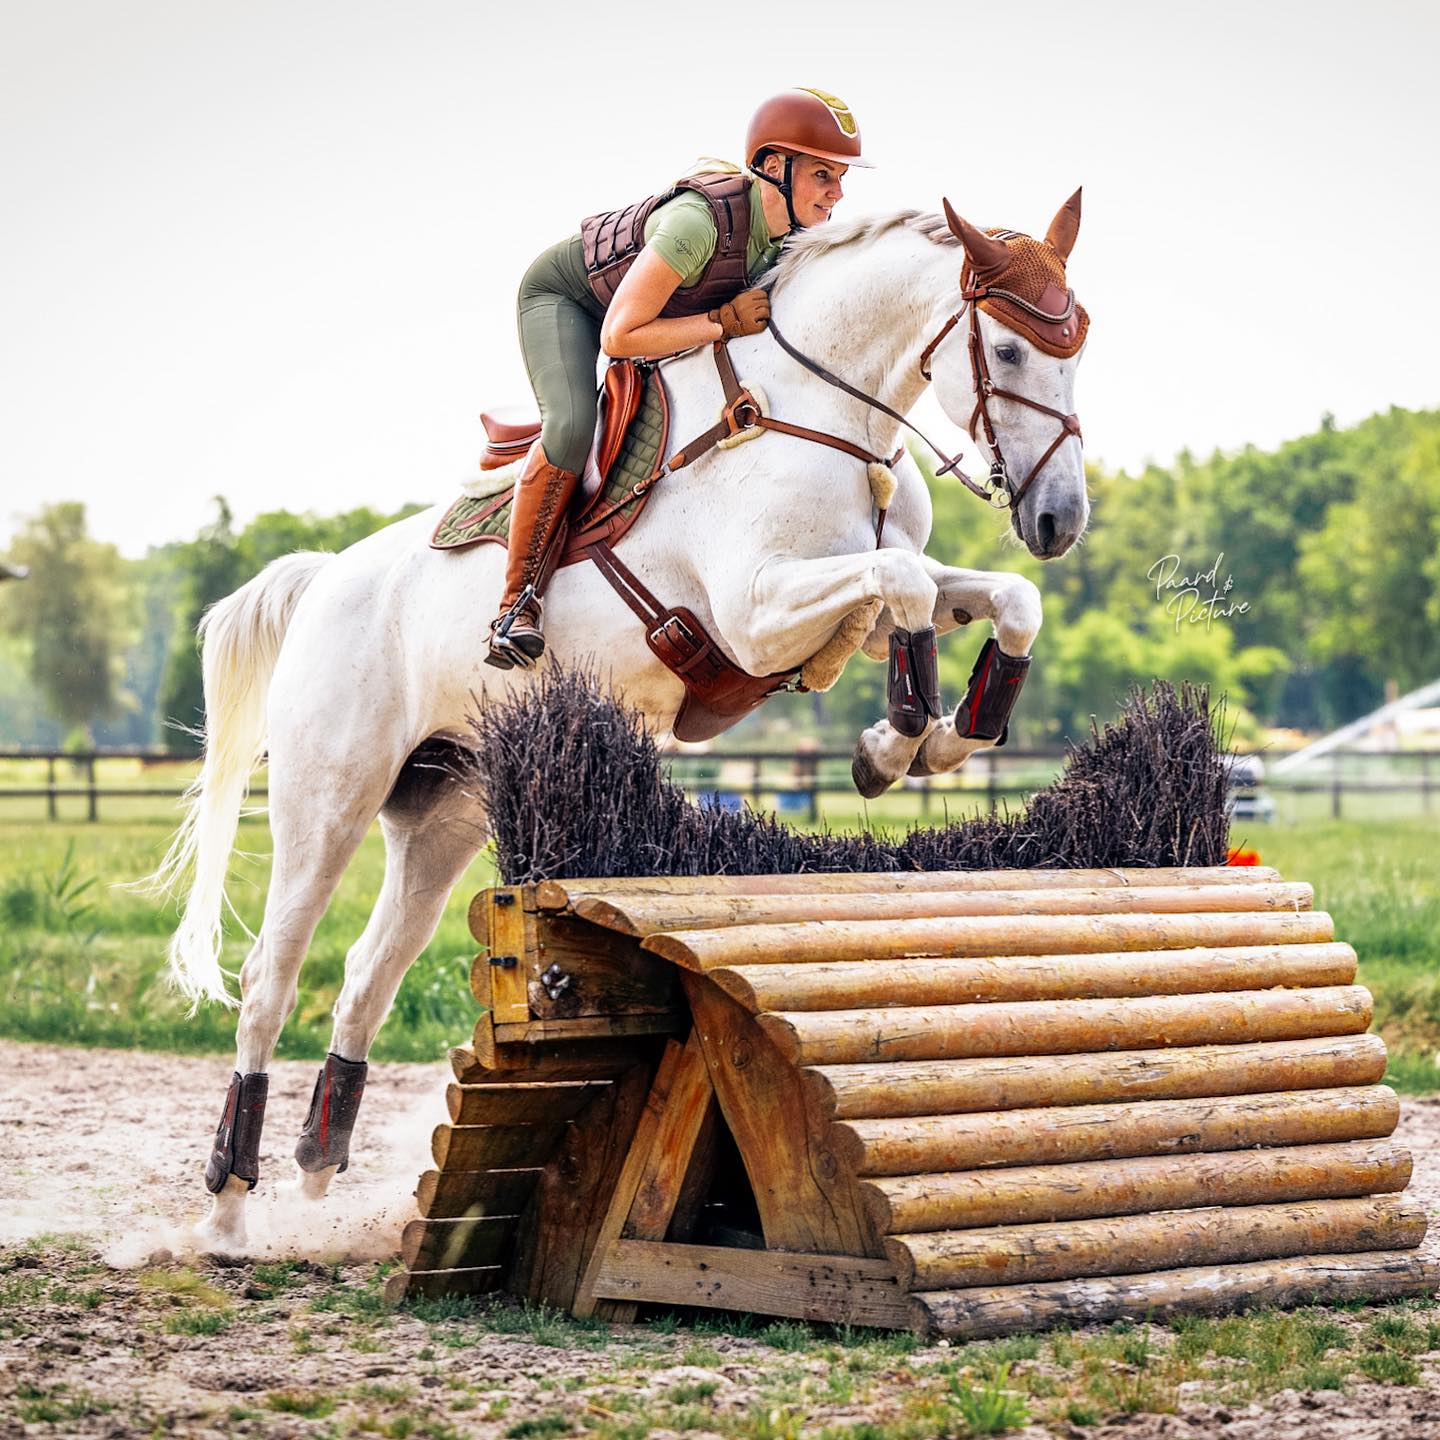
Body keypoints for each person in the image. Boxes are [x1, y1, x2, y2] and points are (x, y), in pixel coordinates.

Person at [485, 87, 871, 670]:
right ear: (773, 168)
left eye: (841, 177)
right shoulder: (698, 223)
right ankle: (516, 606)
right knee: (570, 427)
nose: (837, 193)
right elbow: (620, 337)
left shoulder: (792, 241)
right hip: (573, 302)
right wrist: (719, 322)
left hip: (653, 315)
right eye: (824, 175)